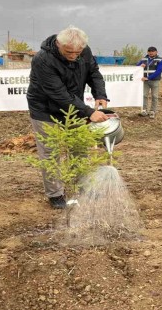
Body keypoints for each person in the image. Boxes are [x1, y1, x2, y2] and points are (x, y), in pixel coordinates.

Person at [26, 26, 109, 209]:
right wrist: (89, 112)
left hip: (74, 108)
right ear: (58, 44)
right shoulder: (43, 59)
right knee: (50, 152)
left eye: (77, 52)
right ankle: (55, 194)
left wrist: (100, 95)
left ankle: (83, 187)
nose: (73, 56)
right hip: (45, 109)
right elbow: (59, 94)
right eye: (69, 52)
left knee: (79, 148)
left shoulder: (84, 51)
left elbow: (93, 73)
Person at [136, 46, 162, 119]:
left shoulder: (160, 60)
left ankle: (153, 111)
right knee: (144, 95)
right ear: (147, 52)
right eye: (149, 51)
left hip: (155, 81)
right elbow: (136, 67)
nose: (151, 52)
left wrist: (148, 78)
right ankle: (144, 110)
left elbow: (159, 71)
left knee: (154, 96)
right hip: (145, 81)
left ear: (156, 52)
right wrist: (140, 66)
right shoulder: (144, 59)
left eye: (152, 51)